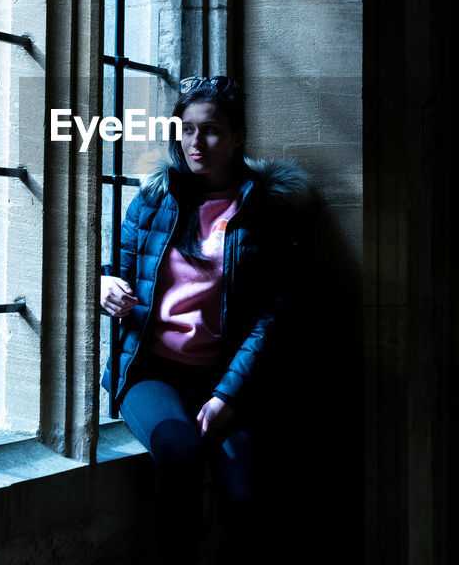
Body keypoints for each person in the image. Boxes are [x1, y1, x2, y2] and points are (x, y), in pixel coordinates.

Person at [100, 75, 314, 563]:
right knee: (180, 452)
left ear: (239, 135)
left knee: (246, 496)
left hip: (229, 381)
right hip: (150, 372)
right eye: (187, 129)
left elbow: (270, 320)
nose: (196, 143)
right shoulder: (154, 200)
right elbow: (119, 268)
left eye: (212, 130)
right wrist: (104, 284)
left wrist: (226, 397)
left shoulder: (268, 212)